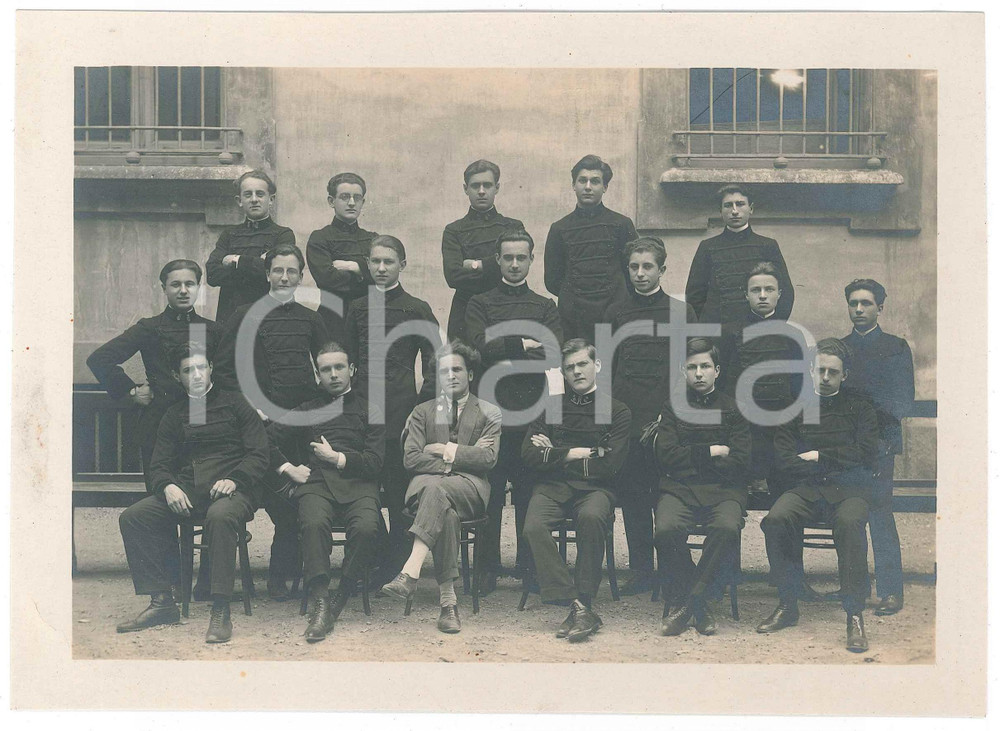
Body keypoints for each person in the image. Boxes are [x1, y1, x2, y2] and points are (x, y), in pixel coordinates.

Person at [116, 341, 268, 644]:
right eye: (188, 370)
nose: (196, 375)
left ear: (211, 368)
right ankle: (162, 601)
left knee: (221, 516)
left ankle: (220, 608)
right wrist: (168, 486)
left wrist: (235, 480)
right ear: (177, 376)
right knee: (134, 517)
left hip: (234, 492)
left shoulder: (238, 404)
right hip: (189, 492)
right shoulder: (173, 415)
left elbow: (259, 455)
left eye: (201, 367)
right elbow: (159, 465)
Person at [214, 244, 329, 599]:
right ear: (267, 275)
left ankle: (283, 574)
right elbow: (223, 372)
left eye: (291, 271)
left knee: (294, 499)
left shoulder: (312, 318)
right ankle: (226, 579)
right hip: (257, 423)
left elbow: (326, 370)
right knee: (269, 491)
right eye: (277, 271)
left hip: (299, 423)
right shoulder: (242, 315)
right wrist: (251, 407)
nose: (283, 277)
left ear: (300, 276)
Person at [758, 338, 879, 653]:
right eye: (820, 370)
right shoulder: (795, 409)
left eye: (833, 373)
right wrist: (832, 461)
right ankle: (787, 603)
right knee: (776, 519)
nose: (825, 378)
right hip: (806, 490)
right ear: (811, 371)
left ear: (844, 375)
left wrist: (818, 457)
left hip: (848, 491)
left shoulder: (860, 408)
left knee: (852, 522)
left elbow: (866, 454)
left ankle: (854, 614)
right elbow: (784, 460)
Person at [266, 342, 385, 642]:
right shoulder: (307, 409)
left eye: (339, 367)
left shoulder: (371, 409)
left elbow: (375, 462)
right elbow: (263, 440)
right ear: (318, 376)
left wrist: (339, 459)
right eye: (326, 370)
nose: (333, 375)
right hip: (317, 484)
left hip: (359, 484)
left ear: (352, 370)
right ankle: (320, 600)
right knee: (314, 523)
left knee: (369, 527)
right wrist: (287, 468)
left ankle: (342, 593)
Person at [465, 228, 563, 592]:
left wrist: (502, 347)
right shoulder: (480, 303)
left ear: (531, 260)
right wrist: (523, 343)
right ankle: (486, 568)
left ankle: (528, 566)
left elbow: (554, 351)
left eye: (522, 257)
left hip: (531, 410)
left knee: (527, 491)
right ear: (497, 259)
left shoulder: (545, 305)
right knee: (488, 492)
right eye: (508, 257)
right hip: (490, 412)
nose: (515, 264)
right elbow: (476, 346)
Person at [382, 342, 502, 633]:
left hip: (470, 490)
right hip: (428, 488)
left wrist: (444, 450)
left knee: (438, 492)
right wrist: (460, 458)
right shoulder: (422, 412)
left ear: (470, 374)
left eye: (457, 369)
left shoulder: (489, 413)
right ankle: (448, 604)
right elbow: (411, 459)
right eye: (444, 370)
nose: (451, 375)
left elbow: (487, 458)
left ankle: (411, 570)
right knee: (443, 509)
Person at [345, 235, 441, 586]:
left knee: (400, 492)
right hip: (362, 416)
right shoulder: (356, 308)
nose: (381, 268)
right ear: (368, 265)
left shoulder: (417, 308)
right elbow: (347, 363)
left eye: (389, 261)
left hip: (402, 414)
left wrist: (417, 413)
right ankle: (373, 557)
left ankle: (397, 568)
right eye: (375, 262)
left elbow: (436, 366)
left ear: (403, 264)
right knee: (364, 489)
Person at [521, 339, 631, 642]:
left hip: (595, 489)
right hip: (553, 488)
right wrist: (577, 453)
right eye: (570, 367)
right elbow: (528, 455)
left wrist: (555, 452)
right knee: (533, 526)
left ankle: (584, 600)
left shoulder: (617, 411)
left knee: (593, 518)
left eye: (582, 364)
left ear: (596, 366)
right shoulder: (552, 407)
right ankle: (578, 607)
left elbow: (609, 466)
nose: (577, 371)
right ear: (563, 373)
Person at [606, 237, 695, 595]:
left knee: (667, 496)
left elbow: (690, 368)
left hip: (666, 421)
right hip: (628, 422)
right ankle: (642, 570)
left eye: (647, 267)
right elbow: (608, 371)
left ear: (662, 269)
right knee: (633, 498)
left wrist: (669, 417)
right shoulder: (616, 313)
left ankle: (672, 569)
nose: (640, 274)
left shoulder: (680, 311)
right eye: (634, 267)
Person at [87, 259, 220, 493]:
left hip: (202, 425)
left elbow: (225, 377)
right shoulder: (150, 328)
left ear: (199, 287)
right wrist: (131, 391)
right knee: (162, 502)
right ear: (163, 289)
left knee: (204, 501)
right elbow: (100, 359)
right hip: (159, 426)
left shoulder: (211, 330)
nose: (183, 290)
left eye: (190, 284)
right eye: (175, 284)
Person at [654, 338, 751, 636]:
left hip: (723, 491)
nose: (699, 373)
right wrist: (712, 451)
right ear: (684, 372)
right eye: (692, 367)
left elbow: (742, 460)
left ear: (717, 370)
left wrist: (692, 457)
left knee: (726, 527)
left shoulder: (734, 409)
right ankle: (700, 604)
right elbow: (666, 456)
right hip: (679, 490)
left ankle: (690, 601)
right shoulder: (672, 408)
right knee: (666, 528)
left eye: (705, 366)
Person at [841, 278, 914, 616]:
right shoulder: (839, 349)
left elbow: (901, 403)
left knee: (881, 516)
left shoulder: (896, 347)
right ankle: (852, 589)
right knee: (849, 514)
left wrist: (865, 414)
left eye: (866, 303)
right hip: (846, 446)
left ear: (880, 308)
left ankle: (890, 591)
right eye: (854, 303)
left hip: (880, 445)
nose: (859, 309)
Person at [719, 261, 802, 498]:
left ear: (780, 294)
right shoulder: (731, 333)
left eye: (769, 290)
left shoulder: (793, 336)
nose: (763, 296)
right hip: (743, 430)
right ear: (746, 294)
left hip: (780, 430)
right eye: (756, 290)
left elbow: (799, 387)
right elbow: (724, 382)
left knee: (781, 502)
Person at [544, 154, 638, 342]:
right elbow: (553, 280)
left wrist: (617, 299)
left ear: (605, 187)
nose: (588, 187)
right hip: (574, 318)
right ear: (573, 185)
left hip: (614, 315)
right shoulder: (559, 228)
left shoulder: (622, 225)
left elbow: (633, 271)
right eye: (582, 181)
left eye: (595, 181)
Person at [685, 184, 794, 330]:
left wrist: (771, 326)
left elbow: (785, 291)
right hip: (719, 332)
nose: (734, 211)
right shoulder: (707, 247)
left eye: (740, 204)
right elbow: (694, 296)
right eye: (728, 205)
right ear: (720, 211)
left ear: (751, 208)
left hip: (757, 330)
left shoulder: (767, 246)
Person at [442, 159, 524, 342]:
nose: (481, 191)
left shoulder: (512, 227)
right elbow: (453, 276)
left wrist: (475, 264)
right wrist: (495, 267)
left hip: (506, 308)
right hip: (465, 312)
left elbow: (516, 269)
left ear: (497, 187)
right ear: (465, 189)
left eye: (487, 185)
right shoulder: (454, 230)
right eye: (475, 186)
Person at [205, 170, 296, 324]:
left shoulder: (283, 235)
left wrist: (236, 260)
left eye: (260, 194)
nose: (254, 199)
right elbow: (212, 274)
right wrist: (258, 265)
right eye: (248, 195)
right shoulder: (229, 235)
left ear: (271, 199)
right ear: (239, 200)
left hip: (269, 317)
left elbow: (277, 274)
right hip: (231, 318)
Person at [306, 172, 379, 341]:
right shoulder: (320, 237)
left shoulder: (373, 239)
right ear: (331, 201)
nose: (352, 203)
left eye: (357, 198)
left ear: (363, 202)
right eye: (345, 197)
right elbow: (327, 280)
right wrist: (366, 274)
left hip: (368, 321)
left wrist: (355, 267)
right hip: (334, 321)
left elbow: (384, 279)